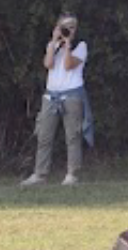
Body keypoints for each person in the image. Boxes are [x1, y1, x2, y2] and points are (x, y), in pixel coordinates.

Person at [22, 13, 88, 186]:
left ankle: (72, 174)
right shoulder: (52, 45)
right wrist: (54, 41)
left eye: (72, 27)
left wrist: (67, 45)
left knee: (72, 136)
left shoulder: (80, 46)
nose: (69, 30)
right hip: (51, 95)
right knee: (44, 135)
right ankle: (40, 174)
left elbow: (68, 65)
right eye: (65, 27)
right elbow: (48, 64)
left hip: (72, 95)